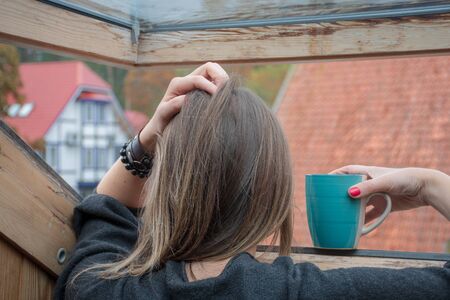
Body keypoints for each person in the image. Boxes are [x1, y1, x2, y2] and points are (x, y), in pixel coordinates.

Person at [54, 63, 449, 299]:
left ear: (168, 182)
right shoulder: (300, 292)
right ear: (271, 195)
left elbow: (104, 216)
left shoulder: (104, 291)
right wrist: (429, 184)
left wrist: (147, 141)